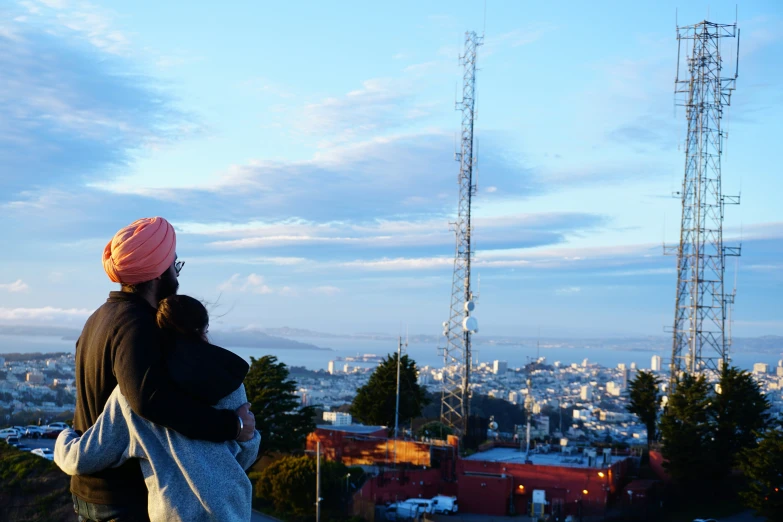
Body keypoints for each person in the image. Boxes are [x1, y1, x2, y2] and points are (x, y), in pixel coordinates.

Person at [70, 217, 255, 521]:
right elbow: (150, 400)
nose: (177, 275)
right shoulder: (138, 325)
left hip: (90, 490)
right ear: (158, 275)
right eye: (175, 266)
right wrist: (231, 426)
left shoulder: (98, 318)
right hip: (124, 498)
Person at [56, 295, 260, 522]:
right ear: (204, 329)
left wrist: (64, 436)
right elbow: (246, 452)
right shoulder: (229, 382)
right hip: (231, 512)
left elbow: (84, 458)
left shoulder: (132, 394)